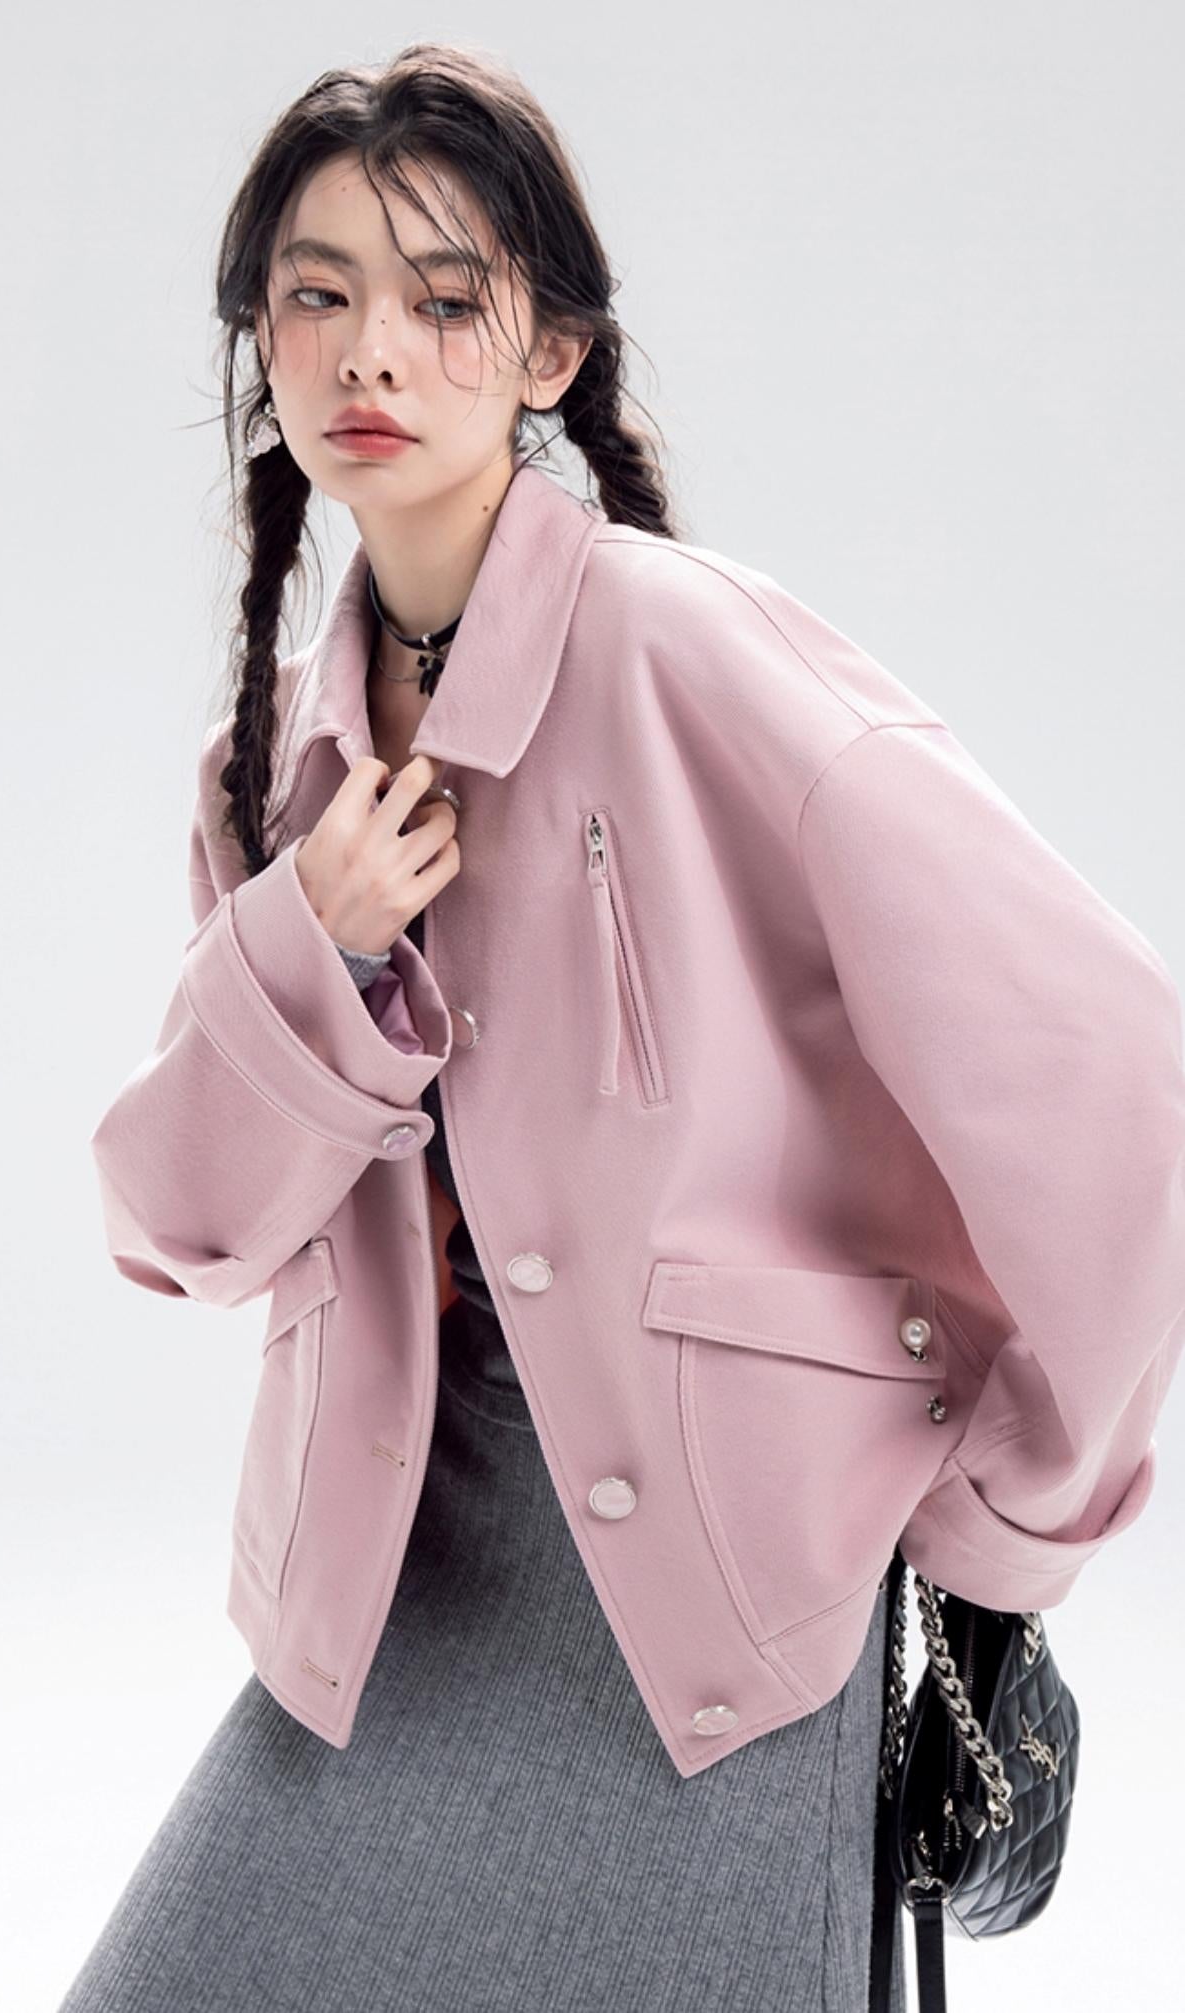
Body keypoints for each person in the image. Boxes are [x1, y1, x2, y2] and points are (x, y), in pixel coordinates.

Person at [58, 40, 1183, 2013]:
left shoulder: (685, 647)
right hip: (393, 1581)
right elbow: (182, 1224)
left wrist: (1001, 1529)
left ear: (549, 352)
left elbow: (1110, 1066)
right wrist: (311, 942)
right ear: (260, 346)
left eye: (444, 300)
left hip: (728, 1603)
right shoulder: (271, 770)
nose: (369, 351)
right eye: (315, 294)